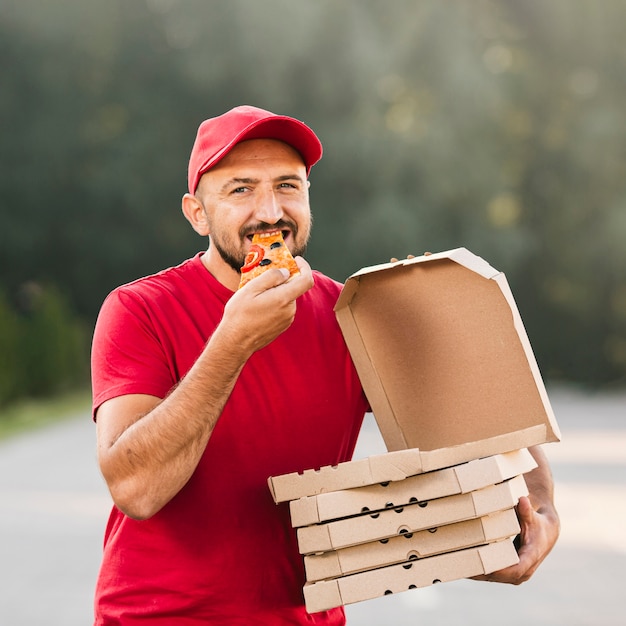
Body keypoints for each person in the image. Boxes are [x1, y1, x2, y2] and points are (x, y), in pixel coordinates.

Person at [90, 105, 560, 625]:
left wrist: (540, 513)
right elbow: (136, 490)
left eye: (288, 186)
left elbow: (491, 421)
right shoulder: (139, 309)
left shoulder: (352, 314)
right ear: (197, 213)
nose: (270, 212)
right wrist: (233, 343)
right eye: (240, 189)